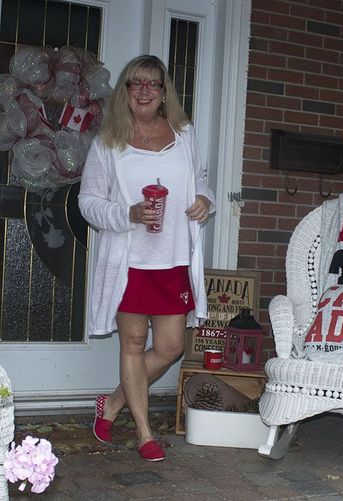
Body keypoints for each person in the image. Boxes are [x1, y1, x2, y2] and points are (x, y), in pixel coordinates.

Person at [78, 55, 215, 462]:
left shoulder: (184, 133)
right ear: (125, 91)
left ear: (163, 92)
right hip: (130, 262)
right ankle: (142, 431)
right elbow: (88, 203)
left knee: (171, 346)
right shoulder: (109, 143)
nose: (144, 91)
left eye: (153, 84)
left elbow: (200, 177)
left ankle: (115, 403)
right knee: (134, 344)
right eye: (136, 83)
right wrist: (128, 214)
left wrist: (205, 199)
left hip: (173, 258)